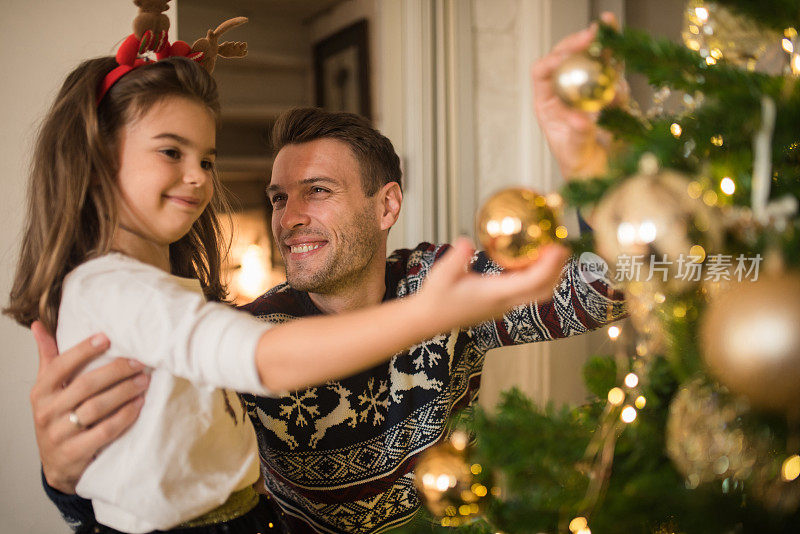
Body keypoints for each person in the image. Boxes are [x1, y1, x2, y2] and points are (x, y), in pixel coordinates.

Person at [29, 14, 625, 534]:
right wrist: (62, 478)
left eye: (318, 191)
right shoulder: (250, 328)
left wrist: (594, 160)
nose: (290, 218)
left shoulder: (441, 283)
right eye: (278, 197)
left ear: (386, 206)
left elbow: (615, 286)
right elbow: (154, 477)